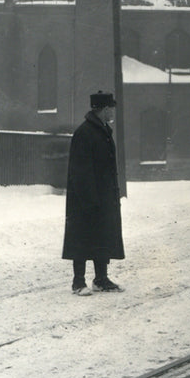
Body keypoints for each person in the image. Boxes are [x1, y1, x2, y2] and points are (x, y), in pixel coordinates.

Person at [63, 90, 124, 294]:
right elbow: (80, 171)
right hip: (86, 199)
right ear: (104, 109)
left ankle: (101, 279)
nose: (113, 111)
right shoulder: (85, 133)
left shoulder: (102, 130)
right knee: (81, 238)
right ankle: (78, 282)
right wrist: (89, 200)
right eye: (111, 108)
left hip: (103, 197)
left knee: (101, 236)